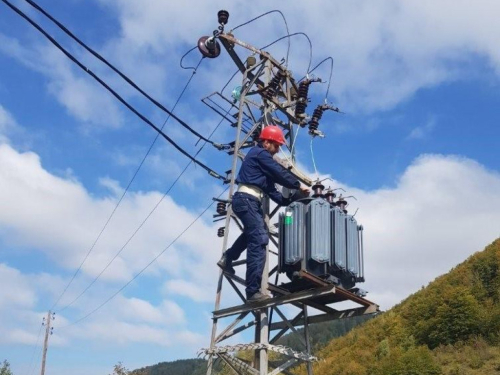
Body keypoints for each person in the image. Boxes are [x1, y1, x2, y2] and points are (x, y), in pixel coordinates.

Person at [218, 125, 309, 303]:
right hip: (246, 199)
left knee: (252, 234)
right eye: (276, 146)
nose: (276, 151)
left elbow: (271, 189)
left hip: (250, 201)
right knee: (259, 238)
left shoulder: (261, 164)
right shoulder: (259, 153)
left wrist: (289, 201)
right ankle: (253, 292)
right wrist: (298, 185)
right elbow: (278, 172)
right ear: (266, 142)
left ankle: (228, 258)